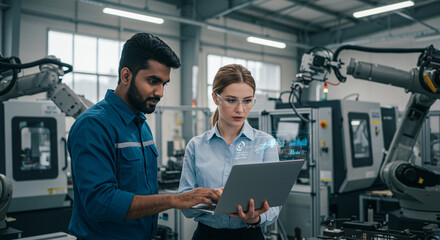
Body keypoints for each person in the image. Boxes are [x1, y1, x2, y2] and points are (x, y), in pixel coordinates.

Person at [67, 33, 221, 240]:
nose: (160, 92)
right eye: (153, 81)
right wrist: (174, 200)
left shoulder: (140, 122)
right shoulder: (93, 125)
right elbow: (99, 203)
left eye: (164, 84)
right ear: (126, 76)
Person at [178, 64, 280, 240]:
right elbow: (185, 206)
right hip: (207, 235)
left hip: (249, 235)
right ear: (216, 99)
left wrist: (255, 218)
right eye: (231, 100)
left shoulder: (265, 143)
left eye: (247, 101)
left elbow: (275, 207)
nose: (240, 109)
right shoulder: (196, 146)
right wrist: (209, 198)